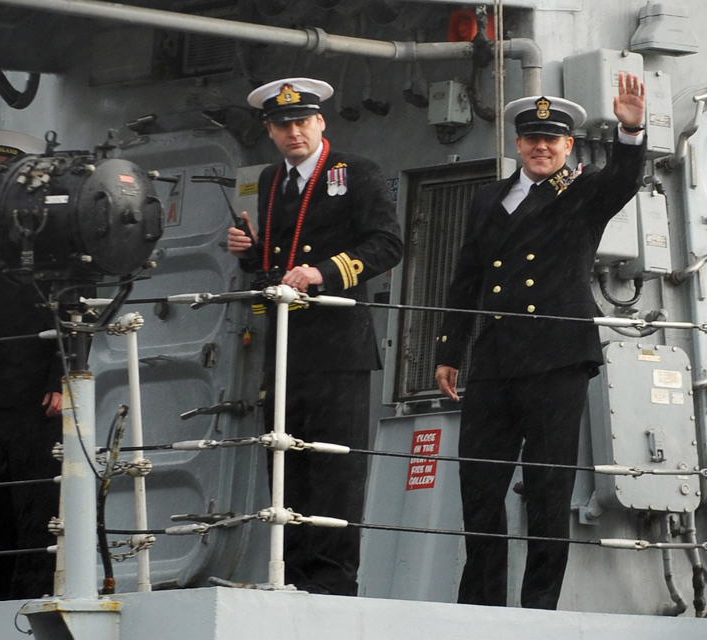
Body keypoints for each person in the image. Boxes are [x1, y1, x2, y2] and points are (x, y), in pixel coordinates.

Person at [433, 73, 647, 609]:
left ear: (568, 146)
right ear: (519, 144)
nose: (541, 147)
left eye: (552, 139)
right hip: (496, 361)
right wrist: (448, 353)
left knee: (548, 492)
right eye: (532, 138)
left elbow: (622, 180)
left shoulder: (582, 191)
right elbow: (466, 278)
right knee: (479, 489)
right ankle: (481, 606)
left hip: (556, 359)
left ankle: (538, 612)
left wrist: (630, 132)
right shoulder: (489, 200)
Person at [227, 77, 403, 595]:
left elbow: (387, 245)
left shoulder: (357, 174)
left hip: (340, 348)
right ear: (269, 131)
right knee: (288, 465)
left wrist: (322, 271)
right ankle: (294, 579)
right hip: (286, 348)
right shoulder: (269, 181)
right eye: (283, 125)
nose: (294, 132)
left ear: (321, 122)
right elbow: (271, 268)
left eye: (302, 121)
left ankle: (333, 585)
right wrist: (247, 252)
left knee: (333, 471)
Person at [0, 131, 62, 620]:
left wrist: (63, 375)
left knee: (34, 513)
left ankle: (23, 612)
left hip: (33, 395)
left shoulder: (44, 234)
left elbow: (72, 304)